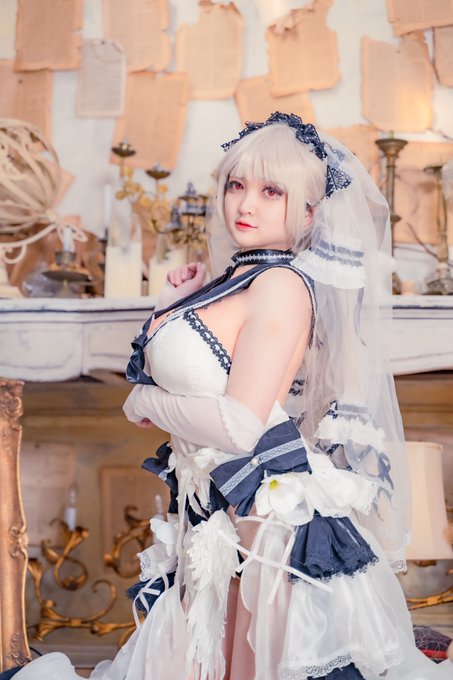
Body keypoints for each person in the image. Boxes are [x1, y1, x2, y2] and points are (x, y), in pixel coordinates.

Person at [10, 113, 452, 679]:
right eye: (237, 185)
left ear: (309, 212)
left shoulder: (282, 286)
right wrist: (170, 305)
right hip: (223, 507)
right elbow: (174, 371)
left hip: (266, 518)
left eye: (272, 192)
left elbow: (241, 425)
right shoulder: (239, 280)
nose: (245, 204)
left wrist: (143, 404)